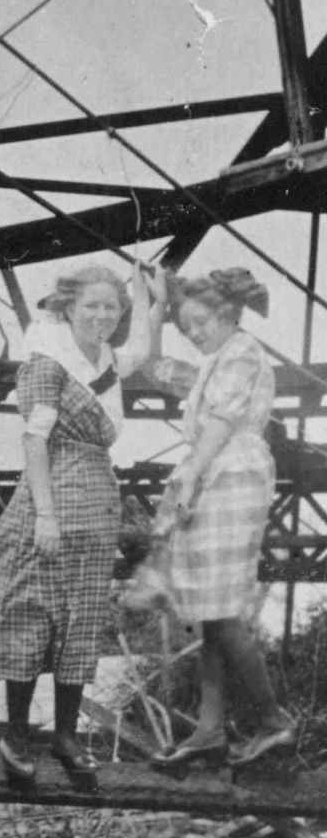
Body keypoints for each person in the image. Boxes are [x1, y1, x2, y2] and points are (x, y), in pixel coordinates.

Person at [0, 259, 166, 785]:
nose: (102, 316)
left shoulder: (105, 359)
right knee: (33, 609)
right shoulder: (48, 360)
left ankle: (66, 735)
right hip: (51, 491)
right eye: (92, 306)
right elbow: (33, 440)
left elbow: (142, 349)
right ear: (70, 307)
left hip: (98, 495)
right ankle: (16, 733)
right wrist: (46, 516)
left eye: (111, 308)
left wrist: (148, 299)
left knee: (83, 615)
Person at [134, 268, 294, 769]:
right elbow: (152, 367)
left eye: (201, 322)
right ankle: (209, 729)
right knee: (210, 606)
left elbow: (224, 420)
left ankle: (274, 723)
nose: (195, 333)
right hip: (215, 471)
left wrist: (189, 478)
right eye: (188, 327)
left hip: (231, 473)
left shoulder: (243, 351)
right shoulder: (213, 362)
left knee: (219, 608)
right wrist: (158, 312)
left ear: (227, 314)